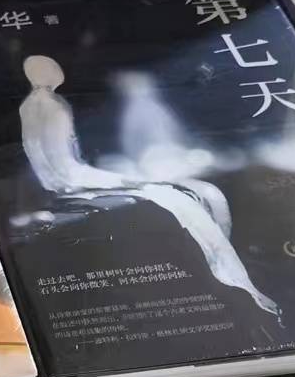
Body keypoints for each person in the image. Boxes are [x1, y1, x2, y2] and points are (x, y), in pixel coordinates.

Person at [17, 55, 279, 318]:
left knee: (195, 191)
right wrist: (125, 180)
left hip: (58, 181)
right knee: (184, 197)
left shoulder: (28, 105)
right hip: (73, 182)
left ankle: (232, 274)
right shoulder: (53, 106)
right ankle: (236, 280)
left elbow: (51, 164)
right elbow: (67, 168)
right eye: (53, 66)